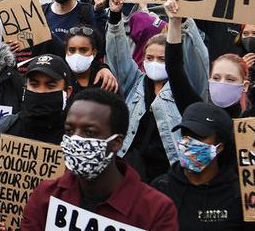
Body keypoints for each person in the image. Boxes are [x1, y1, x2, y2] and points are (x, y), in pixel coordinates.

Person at [20, 88, 178, 231]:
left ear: (117, 143)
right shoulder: (46, 195)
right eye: (69, 130)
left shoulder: (156, 211)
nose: (76, 139)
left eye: (89, 132)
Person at [106, 0, 208, 183]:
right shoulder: (135, 82)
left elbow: (197, 57)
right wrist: (115, 17)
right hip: (132, 172)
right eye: (150, 58)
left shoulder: (186, 89)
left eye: (162, 59)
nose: (155, 63)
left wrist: (183, 20)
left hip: (170, 174)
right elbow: (118, 57)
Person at [0, 54, 73, 230]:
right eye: (34, 84)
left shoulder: (75, 140)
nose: (40, 92)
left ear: (67, 92)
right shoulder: (2, 131)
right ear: (25, 88)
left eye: (50, 85)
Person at [164, 0, 255, 119]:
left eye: (230, 79)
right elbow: (174, 69)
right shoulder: (197, 114)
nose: (222, 83)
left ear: (245, 85)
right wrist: (174, 21)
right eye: (216, 78)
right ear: (209, 81)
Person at [153, 102, 255, 230]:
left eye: (199, 137)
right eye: (185, 134)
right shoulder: (161, 188)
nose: (188, 143)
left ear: (219, 147)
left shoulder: (239, 195)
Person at [64, 25, 118, 93]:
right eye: (72, 50)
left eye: (83, 50)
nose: (77, 55)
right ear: (66, 51)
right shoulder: (60, 76)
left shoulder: (105, 80)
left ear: (94, 53)